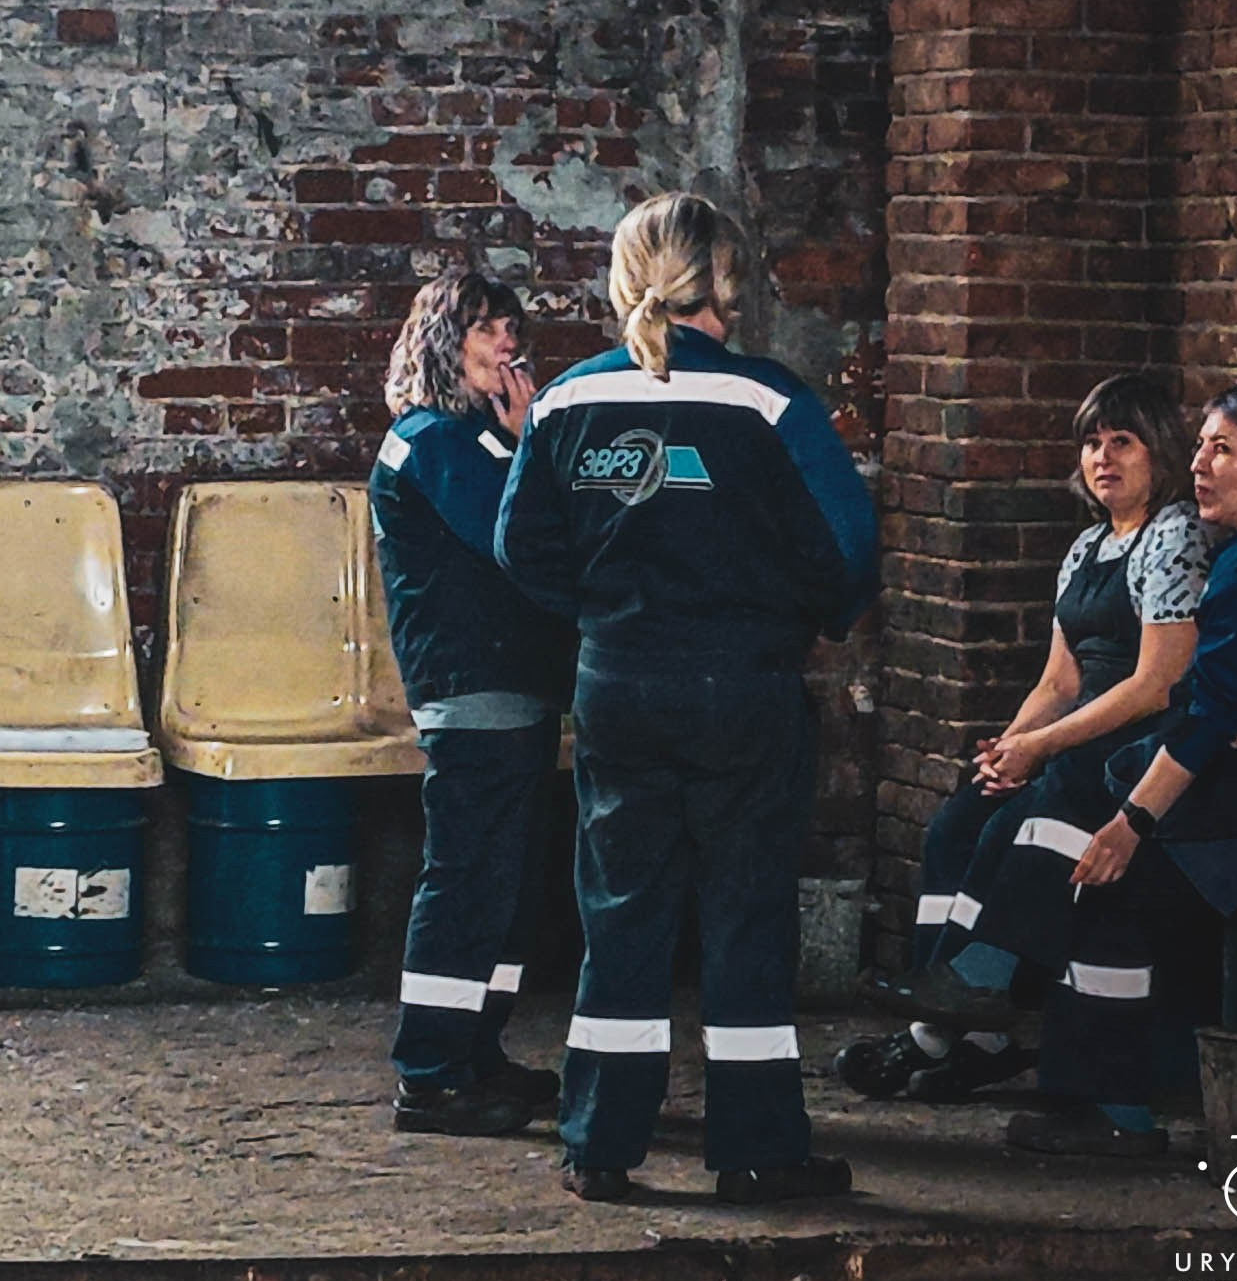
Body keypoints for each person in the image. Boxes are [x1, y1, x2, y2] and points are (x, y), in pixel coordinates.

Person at [496, 192, 877, 1203]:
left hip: (618, 683)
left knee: (621, 914)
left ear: (626, 278)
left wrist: (605, 615)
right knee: (746, 916)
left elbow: (520, 548)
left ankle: (598, 1144)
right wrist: (801, 617)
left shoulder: (564, 404)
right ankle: (756, 1152)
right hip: (742, 686)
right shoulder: (768, 401)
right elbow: (849, 547)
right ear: (725, 281)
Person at [902, 377, 1237, 1157]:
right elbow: (1232, 692)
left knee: (1106, 874)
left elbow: (1212, 708)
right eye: (1199, 446)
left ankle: (1096, 1095)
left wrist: (1131, 823)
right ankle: (1006, 1004)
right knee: (1087, 805)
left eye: (1221, 449)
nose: (1198, 464)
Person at [834, 375, 1207, 1102]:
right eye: (1092, 443)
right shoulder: (1087, 547)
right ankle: (952, 1006)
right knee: (960, 819)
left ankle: (958, 1009)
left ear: (1159, 451)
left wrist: (1044, 748)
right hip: (1077, 727)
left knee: (1035, 808)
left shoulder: (1175, 535)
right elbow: (1059, 681)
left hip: (1135, 735)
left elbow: (1157, 682)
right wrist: (1009, 749)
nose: (1103, 458)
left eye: (1123, 442)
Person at [372, 268, 579, 1137]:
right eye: (487, 328)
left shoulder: (476, 438)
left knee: (506, 883)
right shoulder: (435, 441)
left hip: (513, 687)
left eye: (511, 326)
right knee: (468, 880)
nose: (508, 343)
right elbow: (517, 538)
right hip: (473, 687)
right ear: (443, 343)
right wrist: (532, 444)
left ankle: (475, 1052)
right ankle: (430, 1075)